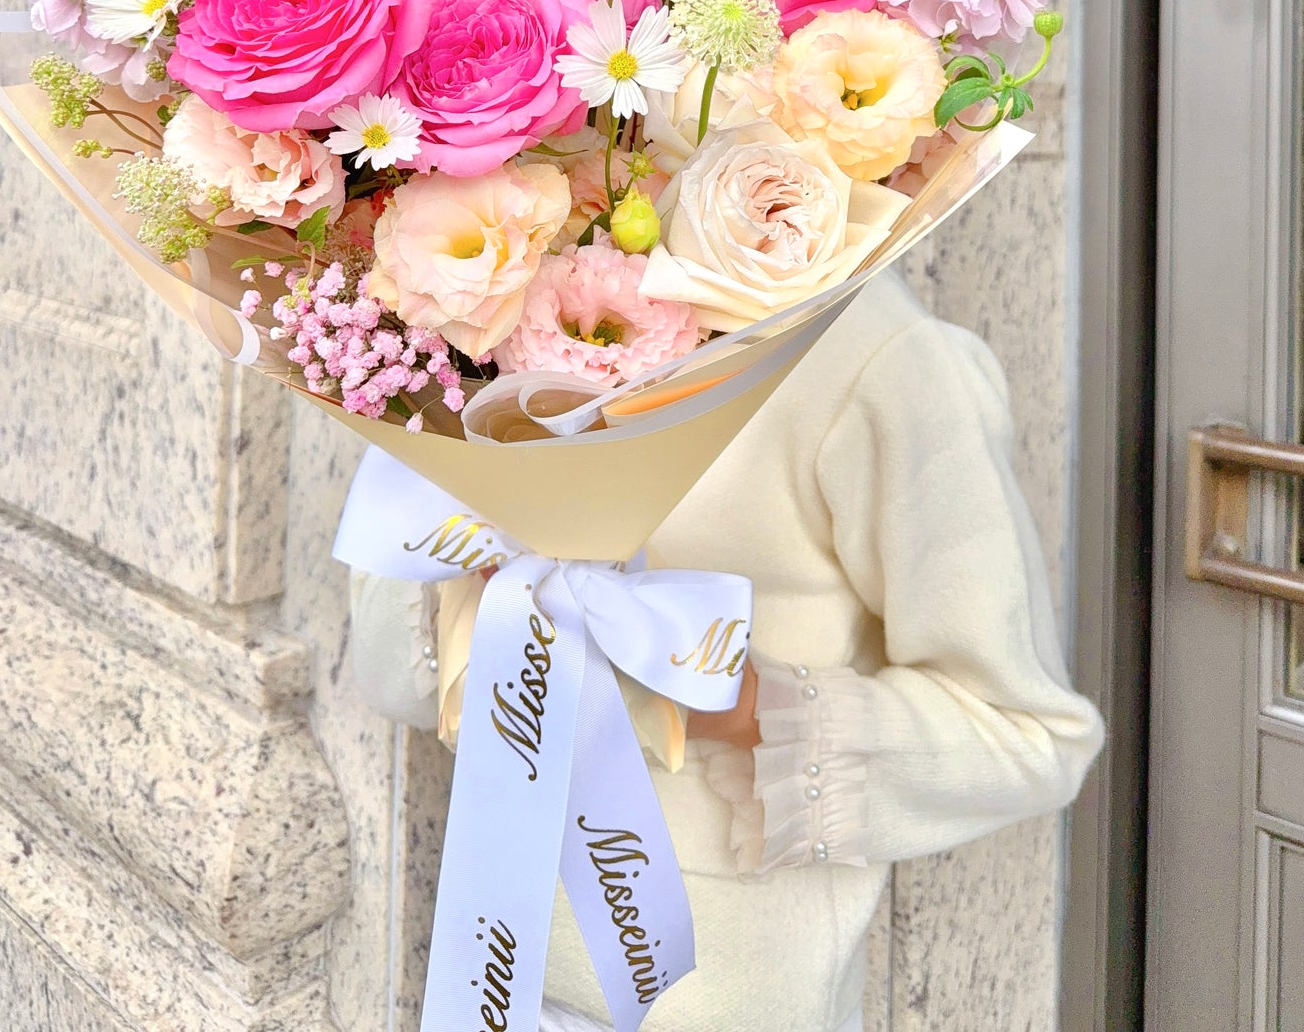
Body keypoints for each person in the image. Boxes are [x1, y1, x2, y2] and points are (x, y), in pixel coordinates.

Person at [349, 265, 1105, 1032]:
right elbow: (384, 671)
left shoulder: (872, 348)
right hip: (487, 978)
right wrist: (487, 597)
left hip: (723, 1006)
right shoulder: (494, 293)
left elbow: (1031, 736)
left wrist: (740, 705)